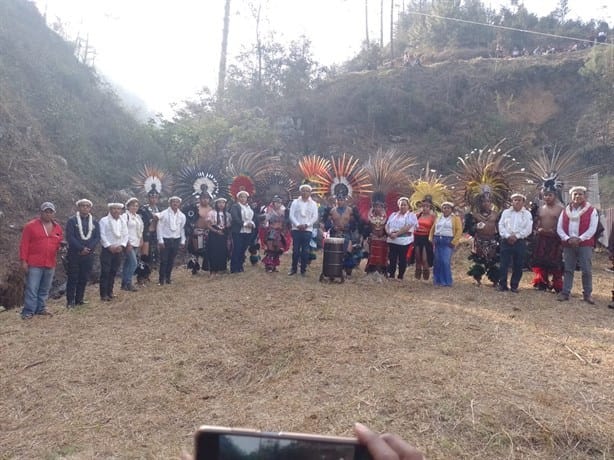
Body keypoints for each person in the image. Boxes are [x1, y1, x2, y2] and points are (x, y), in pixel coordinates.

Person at [19, 202, 64, 319]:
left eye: (51, 212)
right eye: (46, 211)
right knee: (32, 287)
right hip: (34, 262)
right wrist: (23, 261)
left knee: (45, 288)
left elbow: (59, 243)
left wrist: (61, 247)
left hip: (50, 262)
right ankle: (28, 311)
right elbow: (24, 244)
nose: (48, 214)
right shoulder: (30, 226)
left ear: (54, 213)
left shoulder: (57, 227)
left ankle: (41, 308)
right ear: (41, 212)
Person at [556, 186, 599, 304]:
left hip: (584, 244)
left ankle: (587, 294)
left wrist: (579, 239)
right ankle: (565, 292)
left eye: (580, 194)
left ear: (585, 196)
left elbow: (592, 229)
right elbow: (559, 228)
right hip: (568, 243)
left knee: (586, 269)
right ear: (571, 196)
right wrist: (567, 238)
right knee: (568, 269)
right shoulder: (565, 211)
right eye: (575, 194)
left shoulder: (591, 210)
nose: (577, 196)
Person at [65, 199, 100, 308]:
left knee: (84, 277)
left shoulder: (94, 221)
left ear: (90, 208)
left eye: (87, 206)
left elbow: (97, 237)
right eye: (82, 206)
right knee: (73, 277)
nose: (85, 208)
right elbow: (70, 237)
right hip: (75, 254)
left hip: (88, 254)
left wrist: (88, 248)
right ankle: (70, 301)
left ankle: (79, 299)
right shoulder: (72, 221)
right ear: (78, 207)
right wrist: (81, 248)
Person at [497, 193, 533, 293]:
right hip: (506, 241)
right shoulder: (506, 212)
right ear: (512, 202)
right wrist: (508, 236)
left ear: (523, 202)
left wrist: (517, 237)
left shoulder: (527, 214)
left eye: (519, 200)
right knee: (504, 264)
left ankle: (514, 285)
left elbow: (528, 229)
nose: (517, 202)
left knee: (518, 265)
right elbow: (501, 225)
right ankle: (502, 285)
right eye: (515, 200)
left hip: (520, 241)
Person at [531, 188, 564, 292]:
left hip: (555, 239)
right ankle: (542, 282)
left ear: (555, 196)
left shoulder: (561, 209)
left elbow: (563, 223)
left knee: (555, 262)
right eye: (545, 195)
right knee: (541, 261)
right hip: (541, 238)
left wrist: (553, 231)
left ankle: (557, 284)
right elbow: (536, 222)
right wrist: (538, 229)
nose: (547, 197)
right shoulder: (540, 209)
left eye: (550, 195)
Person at [465, 195, 500, 286]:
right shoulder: (475, 215)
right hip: (479, 240)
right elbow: (469, 229)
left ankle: (495, 280)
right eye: (484, 201)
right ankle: (477, 279)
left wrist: (499, 237)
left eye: (488, 201)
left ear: (491, 203)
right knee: (479, 260)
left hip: (492, 240)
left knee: (493, 260)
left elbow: (499, 227)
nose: (486, 203)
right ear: (480, 203)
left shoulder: (495, 215)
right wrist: (476, 226)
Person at [325, 193, 361, 276]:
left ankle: (347, 270)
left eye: (341, 200)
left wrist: (347, 226)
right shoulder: (332, 210)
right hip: (335, 234)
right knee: (336, 253)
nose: (339, 201)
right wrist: (333, 227)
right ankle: (336, 270)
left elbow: (353, 223)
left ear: (345, 201)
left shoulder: (350, 210)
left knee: (348, 252)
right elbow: (327, 223)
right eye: (338, 200)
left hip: (346, 234)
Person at [99, 203, 128, 301]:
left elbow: (125, 234)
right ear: (110, 209)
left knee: (113, 271)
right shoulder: (104, 220)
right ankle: (103, 294)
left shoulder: (123, 221)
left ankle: (110, 292)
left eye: (118, 209)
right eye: (114, 209)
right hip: (107, 250)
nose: (116, 211)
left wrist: (122, 245)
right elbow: (102, 235)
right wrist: (109, 246)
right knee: (105, 272)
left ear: (121, 210)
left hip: (119, 249)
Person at [288, 184, 319, 276]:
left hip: (307, 230)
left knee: (305, 250)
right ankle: (293, 269)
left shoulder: (313, 204)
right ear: (300, 192)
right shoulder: (295, 202)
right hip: (296, 229)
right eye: (303, 190)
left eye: (307, 191)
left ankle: (303, 270)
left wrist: (307, 225)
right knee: (296, 250)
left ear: (310, 193)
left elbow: (315, 217)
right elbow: (291, 215)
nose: (305, 192)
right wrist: (297, 224)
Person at [429, 201, 462, 287]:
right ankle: (437, 281)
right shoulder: (439, 217)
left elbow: (459, 231)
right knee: (437, 261)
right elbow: (433, 228)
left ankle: (447, 281)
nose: (446, 209)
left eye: (448, 208)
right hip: (438, 240)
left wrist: (454, 242)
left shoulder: (455, 218)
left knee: (445, 261)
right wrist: (431, 238)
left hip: (448, 241)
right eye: (444, 208)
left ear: (451, 209)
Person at [385, 197, 418, 280]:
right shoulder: (393, 215)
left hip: (404, 241)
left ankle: (400, 276)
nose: (402, 206)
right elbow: (387, 225)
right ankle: (391, 275)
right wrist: (388, 232)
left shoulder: (411, 216)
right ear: (398, 205)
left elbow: (408, 227)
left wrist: (397, 234)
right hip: (392, 239)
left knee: (402, 258)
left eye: (404, 205)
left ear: (408, 206)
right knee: (392, 258)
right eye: (401, 205)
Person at [156, 196, 187, 285]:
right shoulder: (164, 214)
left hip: (176, 239)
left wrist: (183, 241)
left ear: (179, 204)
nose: (175, 203)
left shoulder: (182, 216)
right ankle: (161, 280)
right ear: (170, 203)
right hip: (166, 240)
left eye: (177, 202)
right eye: (173, 202)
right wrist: (160, 240)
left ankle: (168, 278)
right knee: (163, 260)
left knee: (171, 260)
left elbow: (182, 229)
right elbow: (159, 227)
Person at [184, 192, 213, 275]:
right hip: (197, 231)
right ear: (200, 199)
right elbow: (189, 219)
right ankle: (195, 267)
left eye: (207, 198)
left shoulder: (211, 209)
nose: (205, 200)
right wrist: (191, 229)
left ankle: (207, 266)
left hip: (208, 231)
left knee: (207, 250)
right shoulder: (194, 208)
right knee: (196, 250)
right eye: (203, 198)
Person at [137, 189, 161, 284]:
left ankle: (147, 275)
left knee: (153, 255)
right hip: (145, 234)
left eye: (155, 197)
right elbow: (139, 223)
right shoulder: (143, 209)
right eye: (151, 197)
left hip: (155, 234)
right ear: (148, 198)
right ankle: (141, 277)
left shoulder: (158, 209)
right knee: (144, 255)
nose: (153, 199)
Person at [229, 191, 255, 274]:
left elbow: (253, 217)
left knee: (243, 249)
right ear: (238, 198)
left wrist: (252, 224)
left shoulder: (248, 207)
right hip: (238, 231)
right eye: (241, 197)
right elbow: (235, 218)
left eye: (245, 197)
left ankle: (240, 266)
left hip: (248, 231)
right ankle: (234, 267)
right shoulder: (235, 206)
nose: (243, 199)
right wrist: (244, 224)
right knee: (237, 248)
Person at [120, 197, 144, 292]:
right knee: (134, 263)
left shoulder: (138, 217)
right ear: (128, 206)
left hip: (136, 242)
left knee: (128, 263)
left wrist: (141, 239)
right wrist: (127, 243)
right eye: (133, 205)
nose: (135, 207)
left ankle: (124, 284)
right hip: (128, 242)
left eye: (136, 206)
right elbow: (123, 230)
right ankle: (129, 283)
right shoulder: (125, 216)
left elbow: (141, 229)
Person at [262, 195, 289, 273]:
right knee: (271, 249)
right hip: (271, 232)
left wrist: (284, 230)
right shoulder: (269, 211)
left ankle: (274, 265)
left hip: (280, 233)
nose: (278, 204)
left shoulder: (284, 211)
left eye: (279, 203)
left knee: (278, 249)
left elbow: (286, 223)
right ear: (273, 203)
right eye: (276, 202)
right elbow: (264, 222)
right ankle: (268, 266)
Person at [411, 197, 436, 280]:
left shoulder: (433, 217)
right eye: (423, 206)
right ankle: (417, 276)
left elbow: (435, 229)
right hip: (417, 238)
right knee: (417, 257)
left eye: (427, 206)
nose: (425, 208)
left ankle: (426, 277)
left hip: (426, 238)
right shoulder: (417, 216)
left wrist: (433, 239)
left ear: (430, 208)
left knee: (425, 258)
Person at [207, 197, 231, 274]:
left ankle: (222, 268)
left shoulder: (227, 214)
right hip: (214, 234)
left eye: (223, 203)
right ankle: (213, 270)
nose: (221, 204)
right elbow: (208, 225)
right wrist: (216, 231)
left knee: (222, 251)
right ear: (216, 204)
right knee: (213, 251)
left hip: (223, 234)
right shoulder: (211, 213)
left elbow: (229, 225)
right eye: (219, 203)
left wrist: (224, 229)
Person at [364, 198, 388, 274]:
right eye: (376, 206)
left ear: (382, 208)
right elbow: (367, 229)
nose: (378, 208)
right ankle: (371, 271)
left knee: (382, 255)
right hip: (373, 238)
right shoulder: (369, 217)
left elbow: (388, 228)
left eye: (380, 207)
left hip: (383, 239)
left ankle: (382, 271)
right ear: (373, 207)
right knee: (372, 255)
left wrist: (385, 235)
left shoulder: (387, 217)